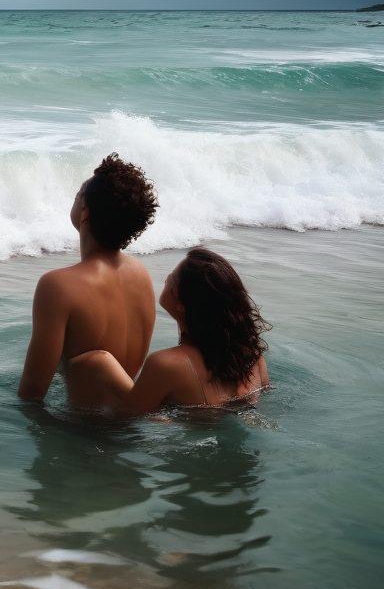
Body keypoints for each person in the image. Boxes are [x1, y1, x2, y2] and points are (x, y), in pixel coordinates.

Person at [18, 154, 158, 406]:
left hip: (82, 432)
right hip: (124, 424)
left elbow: (31, 393)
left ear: (85, 213)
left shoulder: (58, 286)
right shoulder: (141, 274)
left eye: (78, 194)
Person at [68, 248, 270, 415]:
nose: (166, 279)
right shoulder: (253, 354)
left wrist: (103, 367)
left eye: (171, 279)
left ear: (181, 303)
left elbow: (126, 422)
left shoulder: (166, 365)